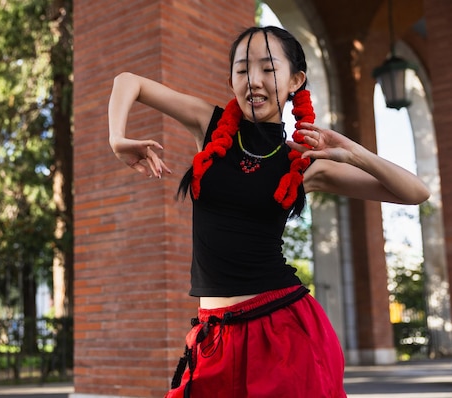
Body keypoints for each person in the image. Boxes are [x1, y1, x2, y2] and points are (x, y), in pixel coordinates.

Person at [107, 25, 430, 398]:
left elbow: (415, 192)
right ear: (231, 80)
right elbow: (128, 81)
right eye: (242, 70)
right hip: (215, 335)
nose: (253, 81)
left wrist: (352, 152)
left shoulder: (305, 161)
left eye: (268, 69)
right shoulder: (209, 126)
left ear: (296, 80)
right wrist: (117, 137)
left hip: (282, 332)